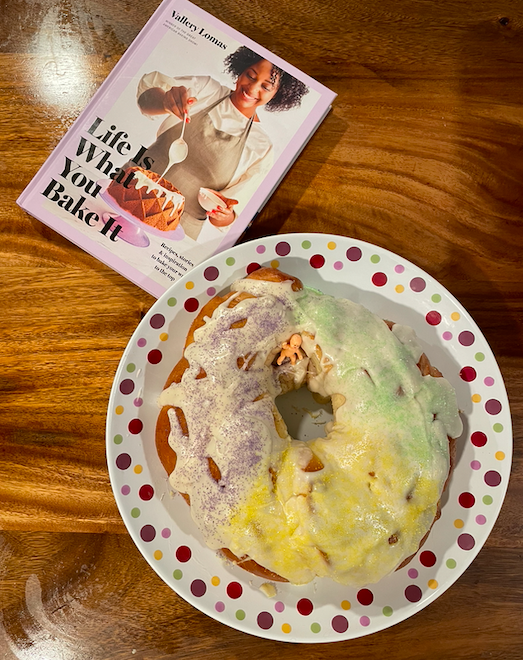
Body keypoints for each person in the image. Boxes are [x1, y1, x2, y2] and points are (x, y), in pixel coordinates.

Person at [136, 47, 309, 240]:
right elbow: (145, 100)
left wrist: (224, 216)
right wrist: (165, 101)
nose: (252, 89)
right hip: (130, 190)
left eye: (266, 87)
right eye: (250, 76)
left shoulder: (261, 147)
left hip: (176, 229)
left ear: (277, 95)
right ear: (240, 70)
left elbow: (229, 216)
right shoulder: (206, 90)